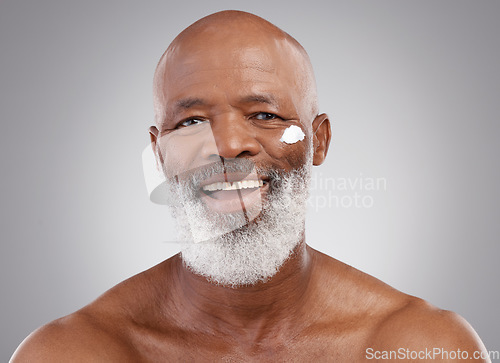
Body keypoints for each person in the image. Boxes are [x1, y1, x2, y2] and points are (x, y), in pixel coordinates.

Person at [11, 10, 489, 362]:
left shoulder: (421, 347)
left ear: (318, 141)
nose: (227, 145)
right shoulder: (73, 353)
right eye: (192, 120)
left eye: (264, 115)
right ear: (160, 155)